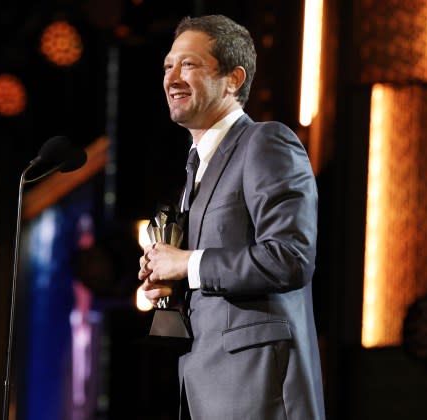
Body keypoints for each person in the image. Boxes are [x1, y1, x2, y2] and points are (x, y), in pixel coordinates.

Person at [138, 14, 326, 420]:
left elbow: (289, 257)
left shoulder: (265, 142)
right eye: (168, 66)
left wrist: (187, 262)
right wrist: (169, 280)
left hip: (257, 389)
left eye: (189, 64)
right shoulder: (195, 170)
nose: (172, 77)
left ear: (233, 78)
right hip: (206, 386)